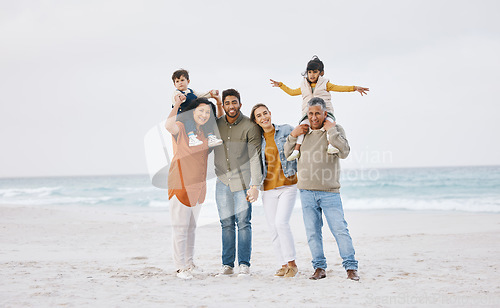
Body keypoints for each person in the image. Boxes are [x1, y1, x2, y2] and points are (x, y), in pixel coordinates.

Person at [284, 97, 360, 281]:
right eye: (310, 113)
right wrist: (293, 135)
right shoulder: (303, 134)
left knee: (340, 230)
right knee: (312, 233)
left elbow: (345, 151)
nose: (314, 117)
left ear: (325, 114)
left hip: (329, 192)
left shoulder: (335, 130)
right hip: (307, 192)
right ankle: (319, 268)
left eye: (317, 113)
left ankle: (351, 268)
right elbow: (288, 155)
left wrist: (331, 130)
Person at [164, 95, 221, 280]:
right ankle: (180, 267)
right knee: (180, 227)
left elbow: (220, 122)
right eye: (201, 110)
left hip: (198, 186)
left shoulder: (206, 134)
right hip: (180, 184)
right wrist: (178, 103)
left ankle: (189, 263)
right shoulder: (182, 128)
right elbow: (168, 126)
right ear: (193, 112)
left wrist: (218, 103)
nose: (204, 115)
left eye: (207, 112)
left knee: (191, 227)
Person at [270, 55, 369, 161]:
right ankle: (296, 150)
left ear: (321, 73)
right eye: (310, 72)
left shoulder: (325, 84)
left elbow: (340, 88)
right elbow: (292, 92)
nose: (312, 75)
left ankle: (331, 145)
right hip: (308, 113)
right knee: (302, 127)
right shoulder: (303, 86)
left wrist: (354, 88)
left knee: (329, 125)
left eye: (315, 72)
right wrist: (281, 85)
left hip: (325, 112)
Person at [213, 89, 263, 277]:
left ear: (240, 104)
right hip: (222, 181)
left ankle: (244, 264)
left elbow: (255, 158)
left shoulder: (250, 127)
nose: (231, 106)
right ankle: (227, 265)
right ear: (224, 105)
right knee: (226, 224)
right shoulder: (216, 125)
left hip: (243, 182)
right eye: (227, 103)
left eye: (234, 102)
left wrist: (255, 185)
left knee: (243, 223)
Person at [250, 103, 299, 278]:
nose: (264, 117)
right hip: (268, 189)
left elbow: (301, 138)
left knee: (281, 223)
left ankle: (292, 264)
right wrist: (254, 186)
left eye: (265, 113)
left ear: (270, 113)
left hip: (288, 185)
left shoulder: (285, 130)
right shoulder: (258, 141)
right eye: (259, 116)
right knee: (272, 228)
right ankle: (283, 264)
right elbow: (256, 166)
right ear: (255, 121)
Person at [171, 69, 223, 147]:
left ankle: (210, 136)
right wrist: (180, 98)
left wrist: (211, 94)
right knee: (189, 120)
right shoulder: (177, 93)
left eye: (182, 80)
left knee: (205, 119)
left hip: (192, 114)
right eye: (177, 81)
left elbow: (201, 95)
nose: (180, 83)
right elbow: (176, 98)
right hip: (183, 115)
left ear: (188, 81)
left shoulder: (191, 91)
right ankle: (191, 137)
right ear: (175, 85)